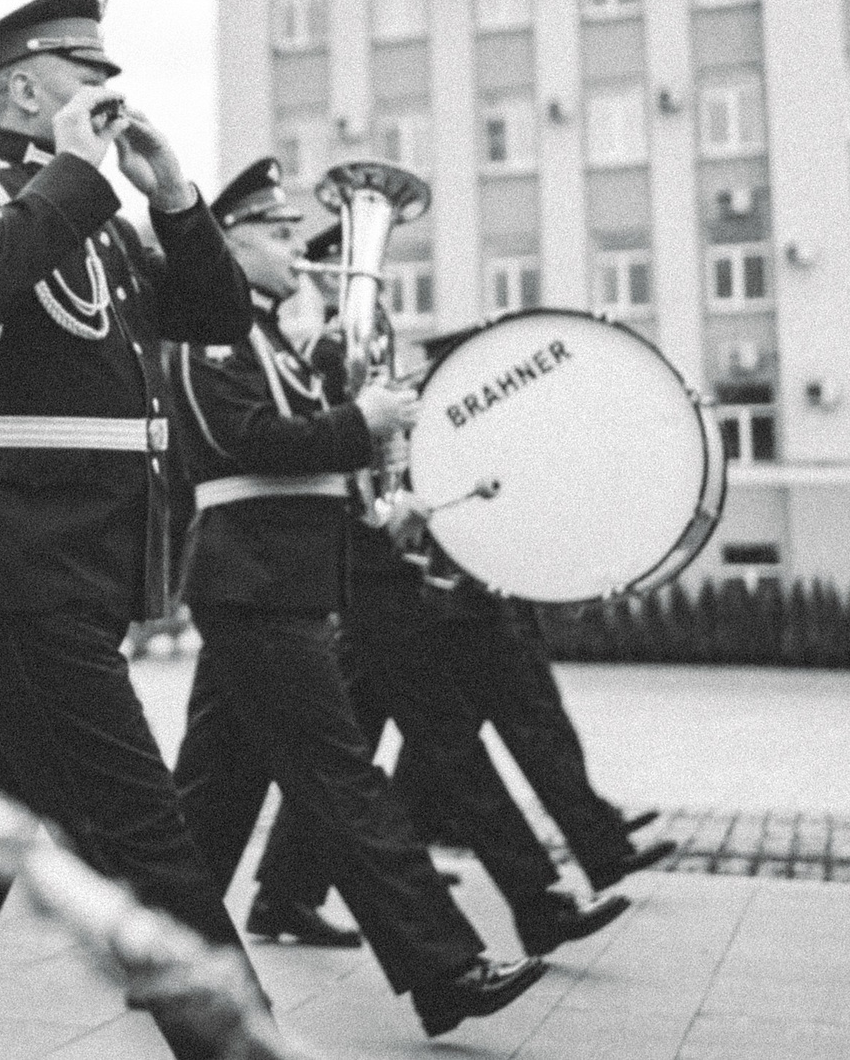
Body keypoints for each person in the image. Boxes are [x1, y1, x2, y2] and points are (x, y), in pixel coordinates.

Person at [0, 0, 269, 1060]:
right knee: (147, 836)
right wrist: (75, 176)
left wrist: (174, 197)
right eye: (88, 78)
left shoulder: (104, 224)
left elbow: (219, 315)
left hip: (78, 561)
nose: (111, 95)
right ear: (27, 90)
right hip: (19, 562)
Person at [170, 158, 546, 1040]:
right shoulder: (208, 336)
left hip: (275, 579)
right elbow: (245, 440)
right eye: (277, 235)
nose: (297, 251)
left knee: (212, 793)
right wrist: (361, 422)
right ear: (229, 243)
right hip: (255, 582)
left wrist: (379, 471)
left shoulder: (272, 340)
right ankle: (446, 971)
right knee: (344, 781)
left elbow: (315, 446)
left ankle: (163, 948)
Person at [249, 314, 634, 961]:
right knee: (440, 747)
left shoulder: (357, 345)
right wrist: (376, 514)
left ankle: (284, 891)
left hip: (381, 575)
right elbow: (310, 450)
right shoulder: (318, 351)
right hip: (364, 576)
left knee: (358, 752)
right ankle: (534, 905)